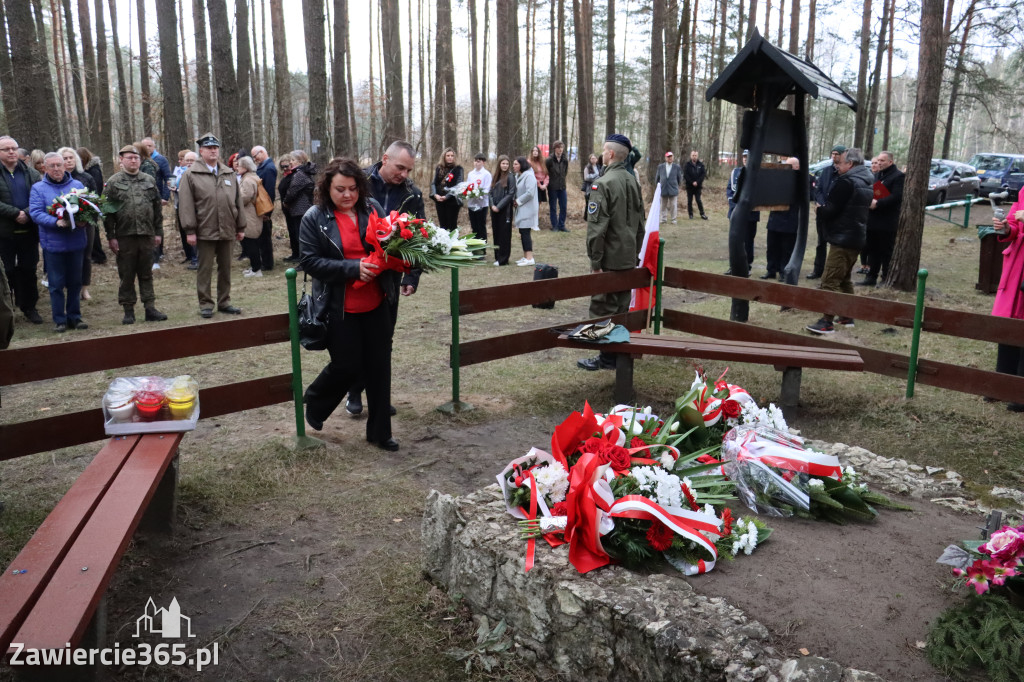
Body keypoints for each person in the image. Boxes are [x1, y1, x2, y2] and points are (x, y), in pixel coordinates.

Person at [300, 158, 401, 451]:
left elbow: (389, 244)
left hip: (377, 302)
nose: (348, 195)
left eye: (353, 188)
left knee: (379, 367)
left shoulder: (372, 208)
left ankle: (381, 432)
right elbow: (309, 261)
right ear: (327, 188)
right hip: (338, 307)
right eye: (340, 189)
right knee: (348, 365)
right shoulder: (314, 217)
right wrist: (352, 268)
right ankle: (317, 400)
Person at [345, 140, 424, 417]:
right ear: (384, 159)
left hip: (390, 276)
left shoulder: (413, 194)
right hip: (357, 269)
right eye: (400, 167)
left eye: (408, 170)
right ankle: (354, 391)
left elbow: (418, 236)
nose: (403, 174)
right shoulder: (357, 182)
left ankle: (379, 395)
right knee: (356, 339)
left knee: (383, 339)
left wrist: (412, 276)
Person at [578, 134, 645, 371]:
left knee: (602, 307)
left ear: (612, 154)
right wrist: (635, 252)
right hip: (628, 256)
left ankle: (606, 358)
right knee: (621, 307)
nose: (602, 153)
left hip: (609, 258)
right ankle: (616, 356)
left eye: (605, 150)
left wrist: (595, 261)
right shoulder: (632, 182)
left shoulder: (602, 184)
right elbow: (641, 225)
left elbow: (597, 229)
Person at [805, 148, 873, 335]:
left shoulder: (846, 182)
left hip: (843, 237)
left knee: (829, 280)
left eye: (839, 163)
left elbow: (832, 209)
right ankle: (847, 315)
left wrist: (820, 209)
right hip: (856, 236)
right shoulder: (867, 180)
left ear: (850, 164)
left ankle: (826, 322)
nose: (836, 166)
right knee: (844, 279)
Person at [178, 133, 246, 319]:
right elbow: (186, 205)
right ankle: (206, 303)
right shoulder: (191, 174)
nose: (213, 151)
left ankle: (224, 301)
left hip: (227, 228)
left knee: (226, 267)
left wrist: (241, 227)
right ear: (201, 151)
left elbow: (237, 201)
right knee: (205, 268)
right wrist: (190, 230)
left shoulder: (228, 172)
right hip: (204, 229)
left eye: (215, 148)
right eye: (209, 148)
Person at [103, 144, 168, 325]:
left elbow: (156, 209)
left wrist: (158, 233)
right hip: (125, 236)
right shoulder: (114, 182)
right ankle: (128, 310)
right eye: (129, 157)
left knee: (146, 273)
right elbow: (107, 212)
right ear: (121, 160)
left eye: (136, 157)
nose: (133, 160)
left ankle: (150, 308)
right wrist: (111, 236)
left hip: (147, 235)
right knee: (127, 274)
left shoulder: (149, 180)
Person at [29, 152, 88, 332]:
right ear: (45, 168)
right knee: (56, 284)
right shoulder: (38, 188)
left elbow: (87, 208)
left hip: (76, 242)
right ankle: (59, 320)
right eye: (52, 166)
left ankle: (75, 317)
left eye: (59, 165)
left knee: (75, 282)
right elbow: (36, 213)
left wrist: (83, 219)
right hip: (53, 244)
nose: (56, 169)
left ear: (65, 166)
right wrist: (56, 222)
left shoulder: (77, 185)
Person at [0, 135, 43, 324]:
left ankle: (30, 307)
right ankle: (7, 310)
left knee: (29, 270)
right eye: (6, 149)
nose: (11, 152)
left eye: (14, 148)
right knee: (6, 272)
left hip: (28, 231)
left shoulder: (31, 173)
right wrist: (15, 213)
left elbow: (40, 197)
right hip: (4, 232)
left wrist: (26, 213)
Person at [990, 199, 1024, 412]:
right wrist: (1006, 227)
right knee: (1008, 324)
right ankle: (1002, 384)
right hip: (1017, 267)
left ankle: (1020, 392)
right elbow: (1014, 224)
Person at [58, 147, 98, 303]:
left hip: (86, 224)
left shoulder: (86, 177)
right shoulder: (57, 179)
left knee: (86, 256)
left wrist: (87, 218)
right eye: (65, 158)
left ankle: (84, 288)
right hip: (64, 224)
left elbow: (95, 200)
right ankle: (68, 287)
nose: (68, 161)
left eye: (71, 158)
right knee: (67, 256)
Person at [860, 150, 904, 286]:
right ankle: (871, 277)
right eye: (878, 160)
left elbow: (897, 197)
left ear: (890, 162)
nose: (879, 163)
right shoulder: (877, 174)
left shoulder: (898, 176)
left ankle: (886, 278)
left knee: (886, 251)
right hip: (873, 219)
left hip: (887, 220)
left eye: (882, 161)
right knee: (873, 249)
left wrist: (878, 203)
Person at [808, 144, 846, 280]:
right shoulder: (826, 171)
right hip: (822, 212)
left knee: (836, 245)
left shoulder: (845, 171)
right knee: (821, 242)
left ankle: (834, 272)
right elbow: (818, 189)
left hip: (836, 214)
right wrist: (820, 203)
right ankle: (818, 270)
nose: (834, 156)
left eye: (837, 154)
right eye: (833, 154)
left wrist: (830, 206)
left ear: (843, 155)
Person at [763, 157, 801, 281]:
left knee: (786, 248)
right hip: (775, 218)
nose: (785, 168)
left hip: (790, 219)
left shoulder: (800, 180)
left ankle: (783, 271)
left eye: (789, 166)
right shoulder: (778, 178)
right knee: (772, 247)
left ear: (796, 167)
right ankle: (771, 270)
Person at [724, 150, 758, 274]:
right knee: (734, 241)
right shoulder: (735, 172)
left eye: (747, 157)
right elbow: (730, 190)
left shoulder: (757, 173)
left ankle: (747, 266)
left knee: (748, 241)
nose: (745, 159)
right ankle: (733, 266)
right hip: (735, 213)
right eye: (744, 157)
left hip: (751, 214)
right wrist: (735, 207)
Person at [235, 155, 265, 278]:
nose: (237, 168)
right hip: (251, 214)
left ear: (245, 167)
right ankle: (254, 267)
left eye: (239, 166)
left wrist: (234, 200)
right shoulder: (251, 177)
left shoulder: (248, 180)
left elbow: (245, 197)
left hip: (250, 215)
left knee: (251, 242)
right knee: (250, 242)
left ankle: (256, 269)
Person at [79, 147, 107, 265]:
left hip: (92, 203)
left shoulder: (93, 170)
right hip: (91, 202)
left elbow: (97, 187)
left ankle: (98, 255)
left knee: (93, 230)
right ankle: (95, 254)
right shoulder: (90, 169)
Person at [171, 150, 199, 269]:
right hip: (181, 205)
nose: (188, 163)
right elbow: (172, 182)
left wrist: (180, 191)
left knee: (195, 232)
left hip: (195, 208)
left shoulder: (198, 173)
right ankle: (190, 256)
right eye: (187, 160)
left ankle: (197, 259)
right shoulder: (179, 171)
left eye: (191, 161)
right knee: (185, 231)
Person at [251, 145, 277, 270]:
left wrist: (268, 211)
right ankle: (264, 261)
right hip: (261, 207)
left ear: (262, 152)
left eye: (255, 156)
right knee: (262, 237)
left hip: (265, 208)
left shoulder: (269, 168)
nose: (255, 159)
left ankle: (267, 263)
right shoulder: (263, 167)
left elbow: (269, 192)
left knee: (265, 238)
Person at [489, 155, 516, 266]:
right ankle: (497, 256)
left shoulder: (510, 177)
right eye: (503, 163)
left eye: (506, 164)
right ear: (499, 164)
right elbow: (489, 193)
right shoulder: (495, 176)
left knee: (504, 235)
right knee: (496, 233)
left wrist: (499, 206)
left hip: (505, 211)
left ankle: (503, 259)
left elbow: (510, 194)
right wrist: (492, 205)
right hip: (494, 210)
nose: (505, 166)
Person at [430, 147, 463, 231]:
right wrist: (435, 194)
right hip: (440, 200)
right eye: (448, 155)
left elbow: (459, 186)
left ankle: (453, 243)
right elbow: (434, 183)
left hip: (452, 201)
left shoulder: (459, 169)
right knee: (442, 226)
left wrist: (447, 196)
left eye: (452, 155)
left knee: (452, 225)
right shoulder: (439, 167)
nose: (450, 157)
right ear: (444, 157)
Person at [512, 157, 537, 267]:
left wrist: (518, 201)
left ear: (522, 165)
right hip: (521, 208)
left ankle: (530, 257)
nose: (514, 166)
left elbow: (530, 193)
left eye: (516, 164)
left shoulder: (529, 176)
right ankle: (525, 256)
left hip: (528, 208)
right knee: (522, 232)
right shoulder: (518, 176)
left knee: (525, 232)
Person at [277, 153, 300, 261]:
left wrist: (287, 201)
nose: (285, 169)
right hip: (287, 209)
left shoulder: (295, 176)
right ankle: (295, 253)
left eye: (287, 166)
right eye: (283, 167)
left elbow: (293, 192)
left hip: (294, 208)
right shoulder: (285, 177)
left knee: (296, 232)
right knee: (291, 231)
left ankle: (299, 254)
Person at [466, 152, 492, 243]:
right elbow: (468, 186)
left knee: (481, 226)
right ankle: (475, 247)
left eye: (479, 161)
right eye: (475, 161)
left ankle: (482, 248)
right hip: (472, 203)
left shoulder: (486, 174)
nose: (477, 163)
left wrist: (478, 194)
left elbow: (487, 189)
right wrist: (468, 193)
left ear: (483, 162)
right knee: (474, 226)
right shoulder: (470, 174)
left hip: (482, 204)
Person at [546, 141, 569, 231]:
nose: (560, 150)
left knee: (563, 206)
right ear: (555, 148)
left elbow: (565, 172)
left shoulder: (565, 160)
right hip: (552, 187)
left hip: (562, 187)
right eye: (559, 148)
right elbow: (546, 173)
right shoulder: (549, 160)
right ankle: (554, 226)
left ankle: (561, 225)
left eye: (562, 148)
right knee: (553, 207)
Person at [655, 151, 683, 224]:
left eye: (671, 157)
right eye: (668, 157)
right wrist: (659, 186)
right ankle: (663, 219)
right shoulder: (660, 167)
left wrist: (676, 185)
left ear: (673, 157)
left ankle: (673, 219)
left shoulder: (677, 167)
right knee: (663, 205)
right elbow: (657, 177)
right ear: (665, 158)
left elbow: (679, 178)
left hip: (673, 189)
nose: (669, 158)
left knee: (673, 205)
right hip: (663, 188)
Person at [683, 150, 708, 220]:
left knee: (698, 200)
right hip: (689, 186)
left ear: (697, 156)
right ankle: (690, 214)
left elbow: (703, 175)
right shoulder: (687, 165)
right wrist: (692, 182)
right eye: (693, 155)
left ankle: (702, 214)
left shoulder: (701, 165)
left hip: (698, 186)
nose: (694, 157)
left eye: (695, 155)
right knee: (689, 201)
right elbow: (686, 175)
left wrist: (697, 182)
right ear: (691, 156)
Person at [529, 146, 548, 210]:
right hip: (534, 184)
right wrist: (539, 185)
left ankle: (536, 217)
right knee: (534, 202)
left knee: (539, 202)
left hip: (543, 184)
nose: (535, 152)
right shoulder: (529, 162)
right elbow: (531, 176)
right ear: (531, 152)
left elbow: (547, 175)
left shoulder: (542, 162)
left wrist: (545, 184)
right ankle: (532, 217)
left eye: (536, 151)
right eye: (533, 151)